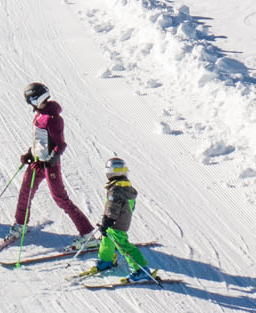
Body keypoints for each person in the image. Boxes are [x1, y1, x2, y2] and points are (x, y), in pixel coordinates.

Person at [11, 82, 94, 242]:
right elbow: (40, 139)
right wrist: (30, 153)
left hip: (50, 166)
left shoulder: (53, 118)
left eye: (30, 100)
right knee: (25, 193)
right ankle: (21, 224)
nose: (29, 103)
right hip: (37, 162)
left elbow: (60, 145)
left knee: (60, 199)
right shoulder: (39, 115)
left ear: (36, 98)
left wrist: (51, 159)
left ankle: (88, 234)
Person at [87, 157, 155, 281]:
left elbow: (113, 207)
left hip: (116, 223)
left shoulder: (116, 190)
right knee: (107, 240)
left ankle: (142, 269)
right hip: (120, 220)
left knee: (123, 246)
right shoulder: (125, 187)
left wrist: (108, 221)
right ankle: (106, 261)